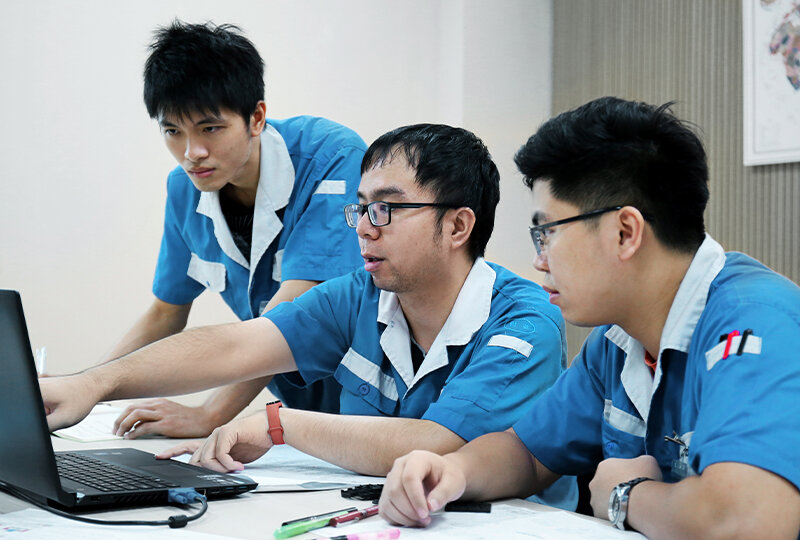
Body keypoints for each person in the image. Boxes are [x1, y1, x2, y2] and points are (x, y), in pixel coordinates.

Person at [41, 124, 575, 509]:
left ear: (458, 226)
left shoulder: (523, 322)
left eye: (386, 208)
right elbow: (238, 346)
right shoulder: (358, 294)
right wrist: (93, 382)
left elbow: (439, 442)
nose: (365, 227)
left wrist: (279, 424)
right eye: (360, 207)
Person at [378, 97, 800, 539]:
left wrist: (625, 494)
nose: (539, 261)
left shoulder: (754, 324)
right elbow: (526, 451)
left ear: (625, 232)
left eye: (548, 233)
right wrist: (449, 472)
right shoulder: (619, 339)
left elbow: (745, 522)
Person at [105, 21, 367, 439]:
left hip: (371, 404)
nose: (192, 153)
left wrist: (209, 414)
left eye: (210, 128)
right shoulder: (184, 189)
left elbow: (290, 314)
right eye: (173, 131)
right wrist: (88, 389)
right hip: (301, 413)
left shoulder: (332, 159)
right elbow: (165, 312)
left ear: (256, 117)